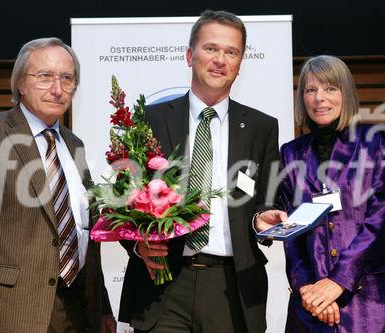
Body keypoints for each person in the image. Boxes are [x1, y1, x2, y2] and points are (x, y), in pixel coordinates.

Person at [118, 10, 286, 333]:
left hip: (231, 288)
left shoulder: (261, 128)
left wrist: (262, 220)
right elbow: (125, 197)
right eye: (210, 48)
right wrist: (138, 244)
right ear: (189, 54)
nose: (220, 59)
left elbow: (265, 200)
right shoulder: (149, 120)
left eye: (231, 52)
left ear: (240, 64)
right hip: (163, 284)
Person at [0, 37, 116, 333]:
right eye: (44, 77)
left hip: (78, 313)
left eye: (67, 78)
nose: (57, 88)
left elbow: (83, 235)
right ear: (20, 83)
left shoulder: (74, 145)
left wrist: (103, 309)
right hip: (13, 313)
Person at [260, 55, 385, 332]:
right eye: (311, 90)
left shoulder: (381, 141)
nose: (319, 98)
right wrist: (308, 289)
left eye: (330, 88)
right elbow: (293, 235)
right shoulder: (290, 153)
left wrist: (337, 282)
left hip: (373, 301)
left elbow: (379, 222)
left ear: (346, 93)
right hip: (311, 306)